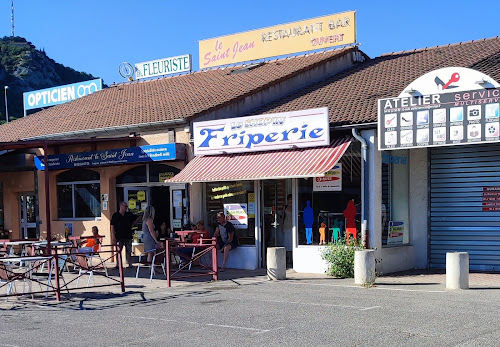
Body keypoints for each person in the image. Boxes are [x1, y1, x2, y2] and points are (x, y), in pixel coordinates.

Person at [110, 201, 141, 268]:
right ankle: (118, 264)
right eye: (125, 206)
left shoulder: (128, 214)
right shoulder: (115, 215)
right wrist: (113, 236)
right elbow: (112, 226)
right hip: (119, 236)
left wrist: (133, 224)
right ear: (121, 206)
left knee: (129, 251)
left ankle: (130, 263)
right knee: (118, 251)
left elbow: (138, 217)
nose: (126, 208)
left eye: (127, 206)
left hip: (128, 235)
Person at [281, 194, 293, 264]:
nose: (290, 201)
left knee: (292, 242)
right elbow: (283, 217)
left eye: (291, 199)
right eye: (289, 199)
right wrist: (282, 226)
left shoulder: (295, 206)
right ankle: (288, 257)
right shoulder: (285, 207)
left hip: (292, 226)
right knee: (287, 242)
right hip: (286, 225)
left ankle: (291, 258)